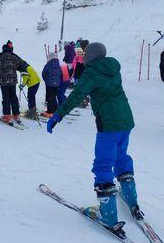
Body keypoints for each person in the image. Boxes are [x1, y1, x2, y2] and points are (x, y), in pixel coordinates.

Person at [47, 43, 140, 233]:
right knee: (121, 157)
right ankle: (131, 199)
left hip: (109, 124)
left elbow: (76, 96)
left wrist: (58, 114)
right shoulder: (113, 68)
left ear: (91, 56)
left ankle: (107, 213)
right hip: (125, 121)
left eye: (86, 55)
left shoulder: (92, 73)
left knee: (103, 165)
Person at [0, 44, 23, 125]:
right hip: (13, 81)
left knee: (6, 98)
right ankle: (16, 114)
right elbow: (20, 62)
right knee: (13, 97)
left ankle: (7, 115)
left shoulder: (0, 56)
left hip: (3, 81)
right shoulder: (13, 56)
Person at [41, 52, 61, 117]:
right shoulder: (58, 65)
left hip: (49, 84)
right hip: (57, 84)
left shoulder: (48, 65)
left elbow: (44, 73)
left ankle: (50, 111)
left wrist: (46, 80)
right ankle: (55, 109)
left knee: (49, 97)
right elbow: (60, 73)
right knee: (54, 96)